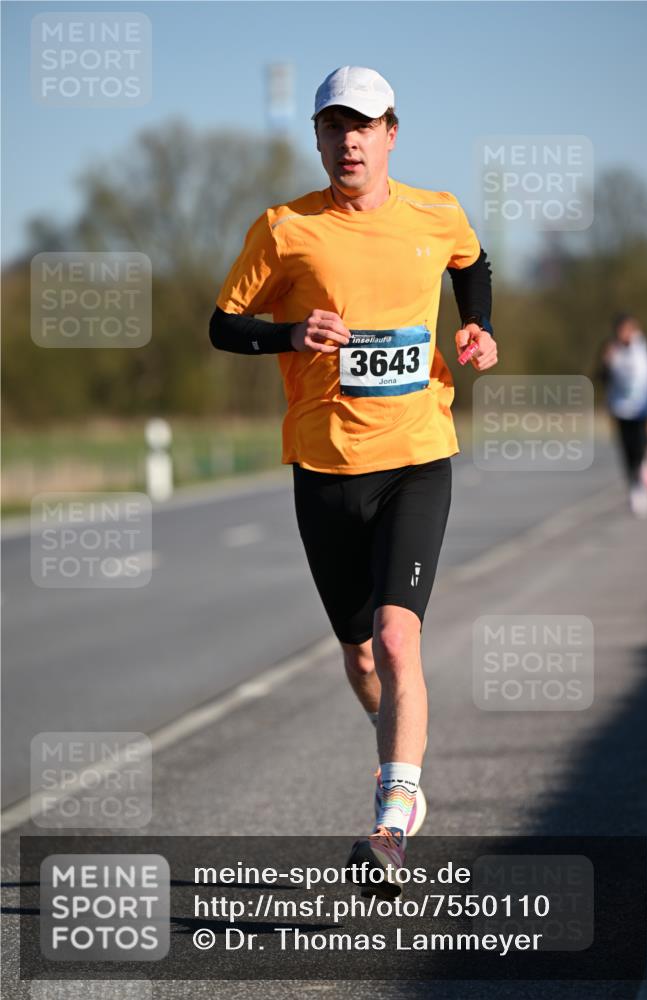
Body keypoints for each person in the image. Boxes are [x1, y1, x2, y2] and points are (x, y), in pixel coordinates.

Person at [209, 65, 497, 897]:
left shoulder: (433, 211)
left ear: (391, 134)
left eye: (363, 126)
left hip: (415, 454)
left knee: (400, 636)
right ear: (317, 136)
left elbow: (472, 265)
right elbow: (224, 325)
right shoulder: (285, 229)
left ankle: (393, 817)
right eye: (333, 126)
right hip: (326, 468)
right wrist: (291, 333)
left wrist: (477, 326)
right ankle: (396, 743)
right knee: (361, 650)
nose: (349, 141)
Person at [598, 313, 647, 518]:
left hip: (644, 406)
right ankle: (635, 486)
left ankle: (644, 470)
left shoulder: (646, 346)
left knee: (641, 443)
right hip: (620, 408)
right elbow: (600, 376)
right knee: (627, 449)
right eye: (622, 330)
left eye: (629, 329)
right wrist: (606, 364)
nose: (625, 334)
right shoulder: (610, 348)